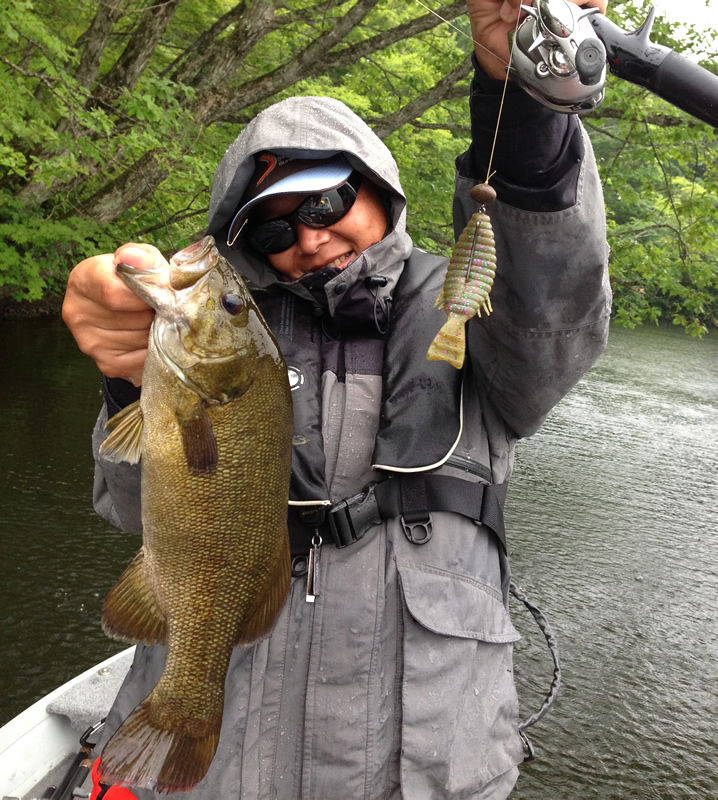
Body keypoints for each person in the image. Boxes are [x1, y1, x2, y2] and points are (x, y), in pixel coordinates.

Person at [63, 0, 610, 797]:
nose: (309, 238)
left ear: (378, 187)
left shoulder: (471, 305)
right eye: (275, 231)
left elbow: (554, 305)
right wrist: (124, 378)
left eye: (323, 204)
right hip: (215, 766)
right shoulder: (209, 335)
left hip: (419, 768)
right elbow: (135, 509)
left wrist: (524, 107)